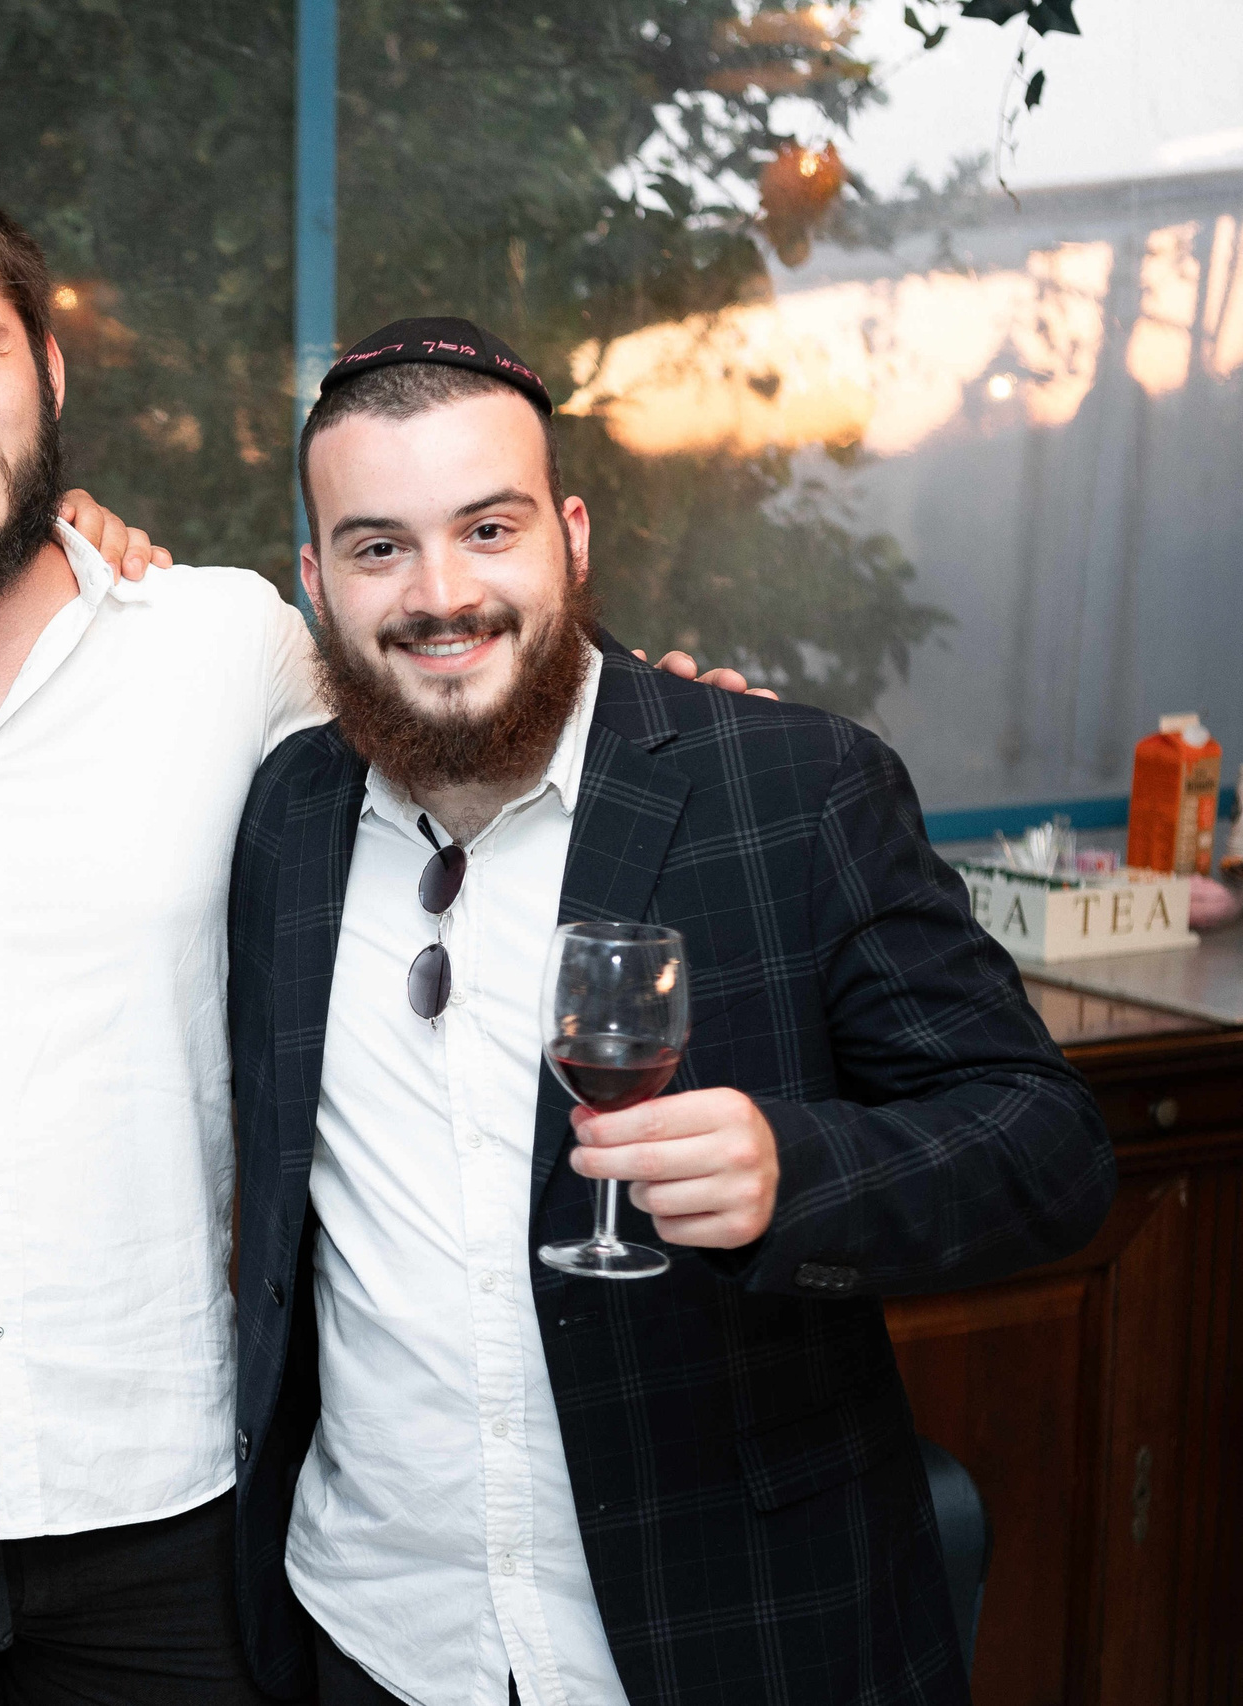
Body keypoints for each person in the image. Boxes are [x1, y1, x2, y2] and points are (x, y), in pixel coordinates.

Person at [0, 178, 755, 1705]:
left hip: (169, 1488)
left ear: (49, 373)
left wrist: (654, 717)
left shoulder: (223, 643)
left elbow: (452, 685)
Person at [225, 318, 1117, 1706]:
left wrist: (794, 1173)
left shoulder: (790, 790)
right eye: (379, 546)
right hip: (372, 1639)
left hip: (731, 1641)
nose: (441, 594)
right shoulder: (285, 819)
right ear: (315, 580)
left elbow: (1049, 1151)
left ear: (571, 538)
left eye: (489, 528)